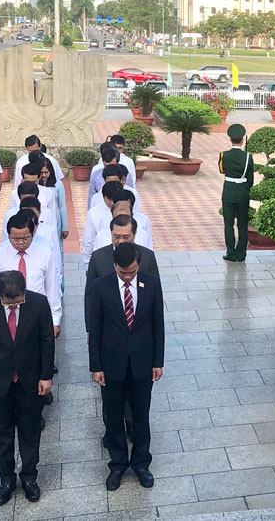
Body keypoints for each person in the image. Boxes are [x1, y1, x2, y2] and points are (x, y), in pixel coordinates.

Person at [88, 243, 164, 492]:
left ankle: (141, 463)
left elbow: (157, 324)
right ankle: (118, 464)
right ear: (114, 266)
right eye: (123, 273)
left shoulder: (151, 283)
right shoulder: (101, 286)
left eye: (132, 271)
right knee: (113, 416)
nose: (128, 276)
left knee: (141, 415)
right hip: (111, 365)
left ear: (138, 264)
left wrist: (158, 362)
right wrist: (95, 366)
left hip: (142, 363)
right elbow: (95, 329)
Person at [0, 270, 55, 506]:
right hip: (0, 381)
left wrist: (46, 376)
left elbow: (47, 341)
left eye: (18, 300)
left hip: (30, 379)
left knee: (30, 431)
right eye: (10, 301)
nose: (15, 304)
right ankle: (6, 480)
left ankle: (30, 477)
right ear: (0, 295)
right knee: (3, 433)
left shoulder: (38, 303)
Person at [0, 212, 62, 339]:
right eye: (15, 239)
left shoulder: (45, 255)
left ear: (33, 234)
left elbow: (52, 288)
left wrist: (55, 320)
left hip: (36, 312)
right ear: (8, 236)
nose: (20, 242)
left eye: (25, 238)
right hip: (8, 312)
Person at [220, 124, 253, 262]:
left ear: (230, 139)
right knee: (242, 224)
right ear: (242, 140)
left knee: (228, 224)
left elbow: (222, 171)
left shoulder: (223, 155)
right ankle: (241, 254)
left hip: (228, 192)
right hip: (242, 193)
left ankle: (231, 253)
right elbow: (250, 178)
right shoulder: (248, 157)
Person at [83, 180, 123, 265]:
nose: (112, 203)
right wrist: (88, 262)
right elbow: (89, 239)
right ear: (103, 197)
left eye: (115, 199)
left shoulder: (126, 211)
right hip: (103, 258)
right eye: (109, 199)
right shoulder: (94, 212)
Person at [37, 154, 69, 244]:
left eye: (46, 172)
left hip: (55, 218)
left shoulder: (58, 184)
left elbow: (62, 206)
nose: (43, 175)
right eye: (41, 172)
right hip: (40, 218)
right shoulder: (35, 185)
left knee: (56, 244)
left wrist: (65, 227)